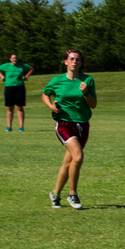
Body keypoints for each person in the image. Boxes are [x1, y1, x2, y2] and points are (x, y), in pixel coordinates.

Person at [42, 49, 96, 209]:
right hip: (64, 124)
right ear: (66, 61)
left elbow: (93, 104)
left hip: (83, 124)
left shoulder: (87, 80)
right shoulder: (57, 80)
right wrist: (52, 106)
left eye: (78, 59)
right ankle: (73, 194)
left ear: (81, 63)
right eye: (71, 59)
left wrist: (86, 93)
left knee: (69, 161)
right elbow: (45, 94)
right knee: (78, 156)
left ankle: (55, 194)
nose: (75, 61)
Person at [0, 53, 34, 132]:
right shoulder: (6, 66)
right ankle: (9, 127)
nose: (14, 60)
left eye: (16, 58)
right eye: (13, 58)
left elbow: (31, 68)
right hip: (9, 87)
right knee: (10, 107)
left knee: (19, 107)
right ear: (10, 59)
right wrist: (2, 77)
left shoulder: (22, 65)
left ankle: (21, 127)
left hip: (19, 87)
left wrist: (26, 76)